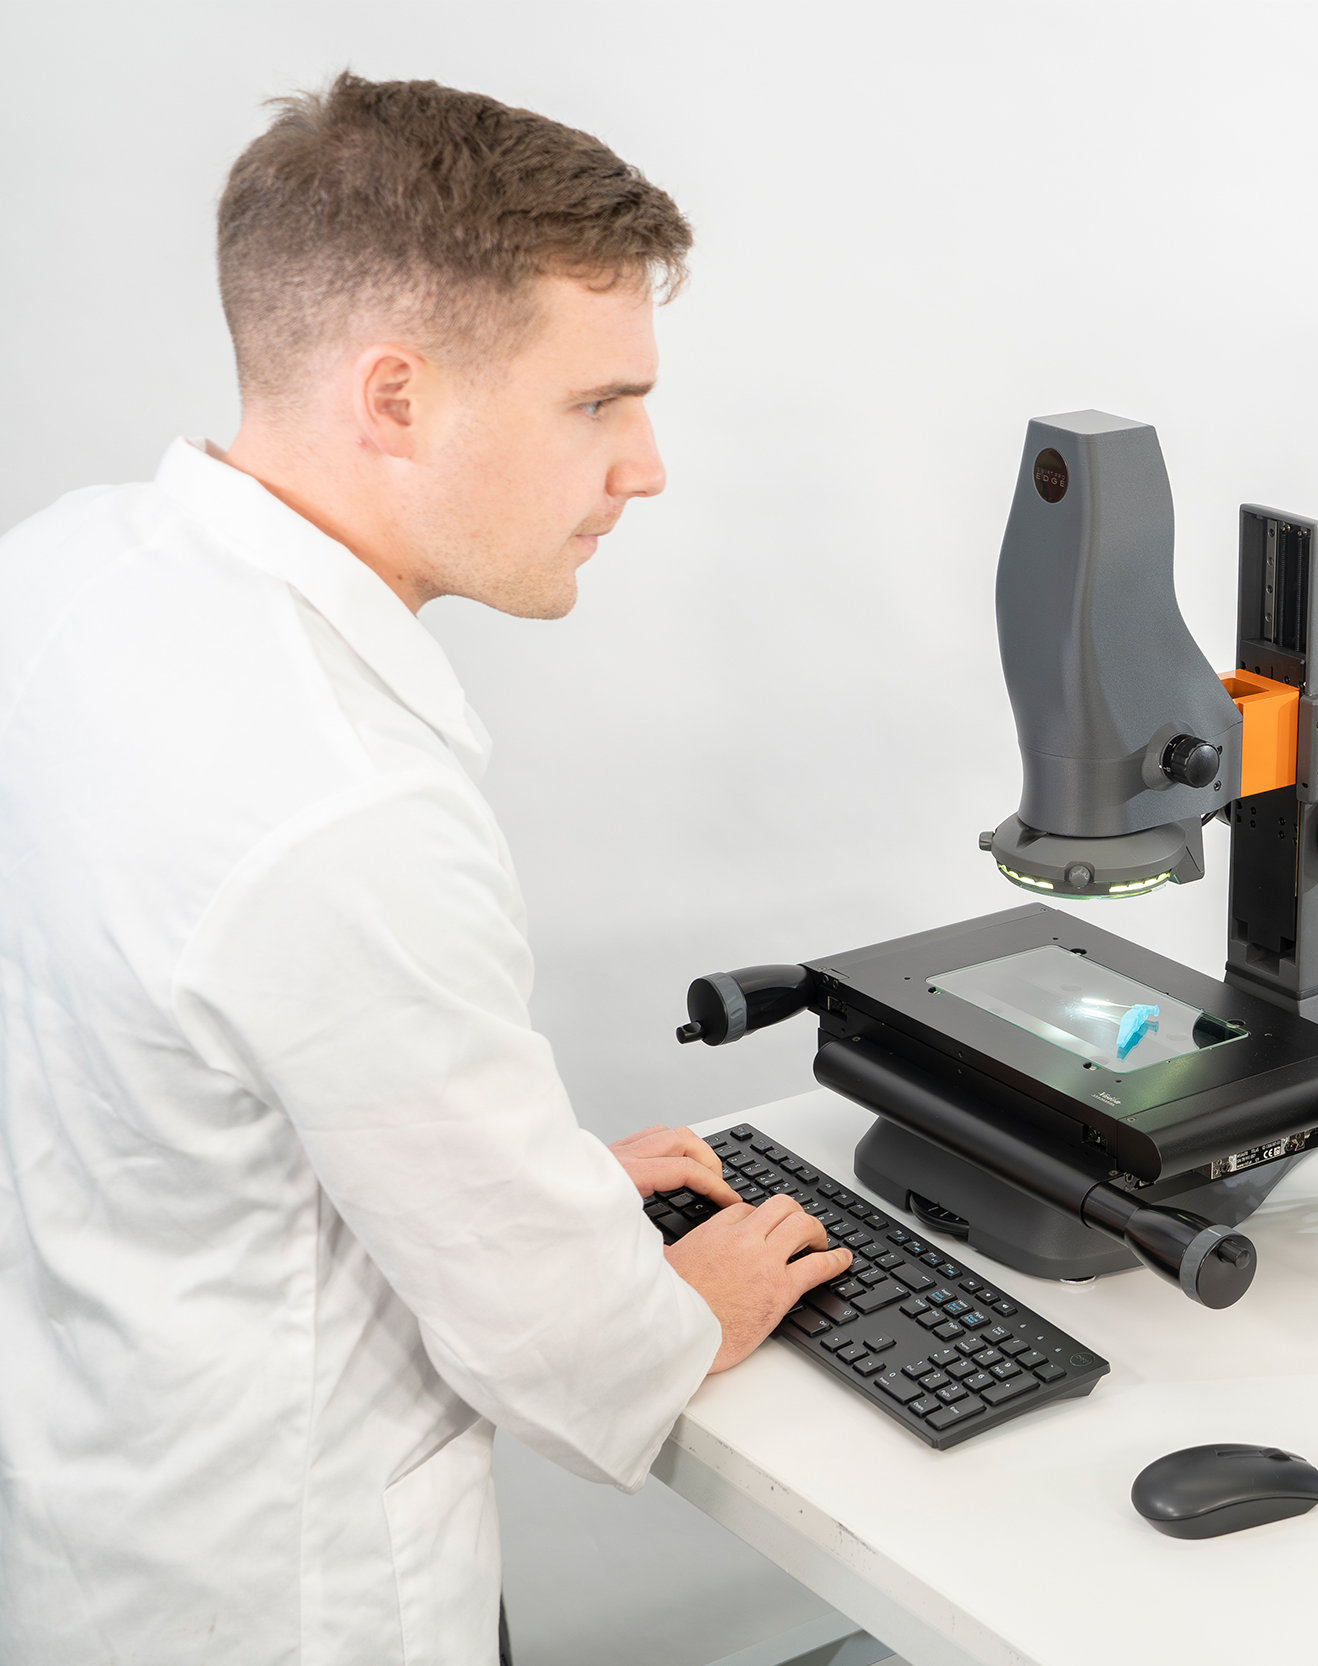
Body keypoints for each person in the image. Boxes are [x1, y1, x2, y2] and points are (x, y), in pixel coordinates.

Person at [0, 73, 849, 1664]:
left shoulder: (62, 572)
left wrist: (529, 1189)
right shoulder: (341, 803)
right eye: (596, 403)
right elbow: (574, 1359)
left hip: (96, 1517)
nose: (644, 465)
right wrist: (687, 1297)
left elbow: (203, 1079)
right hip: (292, 1598)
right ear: (396, 397)